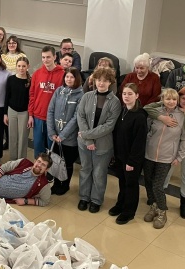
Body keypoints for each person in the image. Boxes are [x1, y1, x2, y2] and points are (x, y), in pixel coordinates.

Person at [144, 87, 185, 219]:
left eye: (173, 99)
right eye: (168, 99)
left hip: (167, 157)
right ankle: (154, 205)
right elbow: (147, 108)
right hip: (150, 153)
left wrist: (180, 156)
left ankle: (162, 210)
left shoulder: (182, 116)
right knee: (148, 181)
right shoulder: (156, 112)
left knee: (158, 185)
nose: (171, 101)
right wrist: (162, 111)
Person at [77, 67, 121, 213]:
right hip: (84, 144)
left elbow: (108, 126)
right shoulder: (87, 96)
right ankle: (84, 197)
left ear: (110, 82)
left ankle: (96, 200)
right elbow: (80, 117)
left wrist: (86, 136)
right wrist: (88, 141)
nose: (101, 83)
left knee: (99, 173)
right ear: (94, 80)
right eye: (99, 80)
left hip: (103, 145)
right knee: (85, 170)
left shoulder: (115, 102)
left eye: (105, 80)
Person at [109, 83, 148, 225]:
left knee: (131, 185)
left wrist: (131, 162)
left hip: (132, 159)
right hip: (120, 156)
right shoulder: (122, 110)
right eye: (124, 93)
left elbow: (139, 142)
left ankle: (128, 212)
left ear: (137, 96)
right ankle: (120, 204)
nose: (126, 96)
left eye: (130, 94)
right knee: (122, 182)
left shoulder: (140, 116)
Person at [47, 67, 84, 196]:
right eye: (67, 77)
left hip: (69, 137)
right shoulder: (58, 91)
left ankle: (65, 184)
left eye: (72, 77)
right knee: (56, 161)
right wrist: (52, 132)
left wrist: (63, 135)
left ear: (76, 78)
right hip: (55, 135)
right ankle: (56, 183)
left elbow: (76, 118)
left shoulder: (81, 95)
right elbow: (50, 110)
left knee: (67, 162)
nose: (69, 79)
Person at [28, 46, 65, 157]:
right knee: (38, 147)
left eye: (48, 57)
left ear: (55, 57)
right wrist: (30, 115)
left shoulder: (63, 74)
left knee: (52, 149)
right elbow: (32, 95)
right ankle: (39, 172)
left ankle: (50, 173)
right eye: (43, 57)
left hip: (53, 118)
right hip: (38, 116)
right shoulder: (37, 74)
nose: (45, 60)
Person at [4, 57, 31, 160]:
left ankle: (21, 160)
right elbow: (7, 96)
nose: (21, 68)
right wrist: (5, 113)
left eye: (23, 66)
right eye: (19, 66)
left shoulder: (30, 81)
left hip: (24, 112)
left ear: (28, 66)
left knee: (22, 138)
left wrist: (30, 115)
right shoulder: (11, 79)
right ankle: (13, 160)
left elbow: (31, 99)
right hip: (12, 111)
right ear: (16, 66)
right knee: (12, 137)